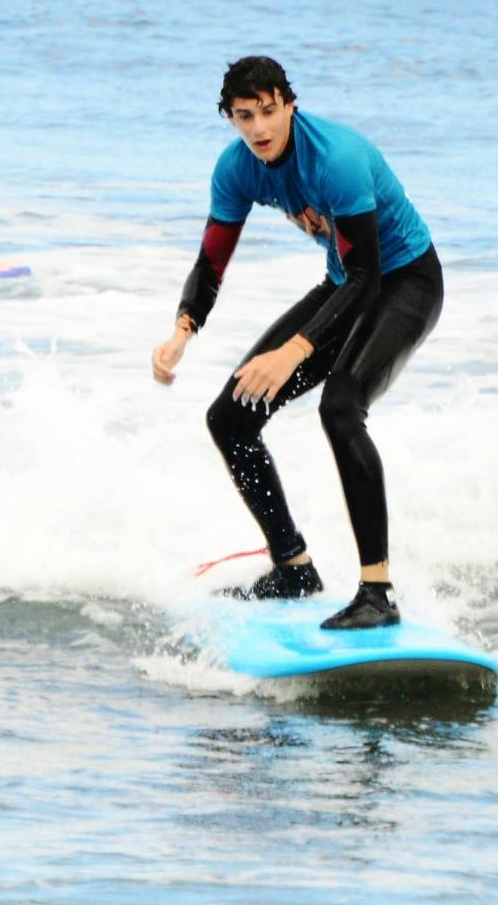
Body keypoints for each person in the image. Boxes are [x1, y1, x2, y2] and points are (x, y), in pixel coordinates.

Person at [150, 56, 443, 629]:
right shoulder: (237, 169)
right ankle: (293, 568)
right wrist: (182, 331)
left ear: (289, 105)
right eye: (243, 116)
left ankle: (377, 594)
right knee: (228, 419)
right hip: (345, 284)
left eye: (267, 111)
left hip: (406, 280)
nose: (258, 128)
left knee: (341, 406)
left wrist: (295, 350)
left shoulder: (337, 158)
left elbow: (369, 278)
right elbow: (212, 260)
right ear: (229, 118)